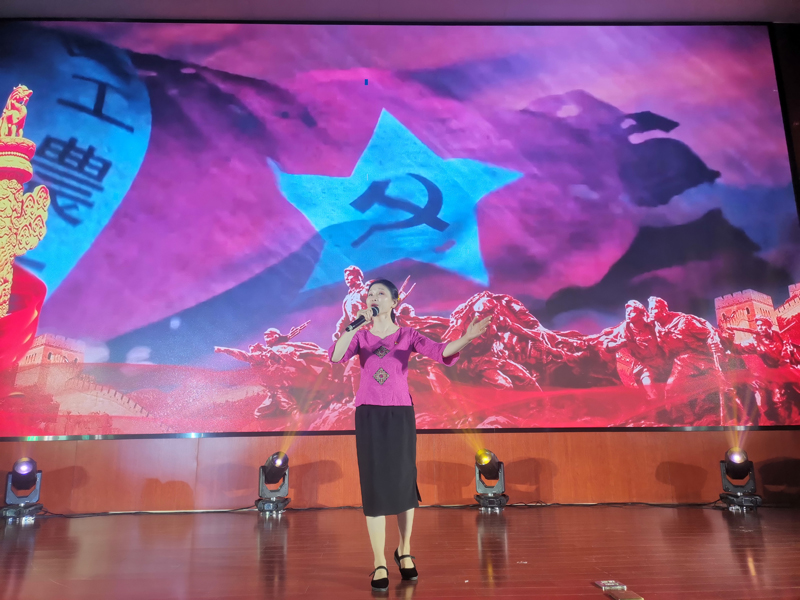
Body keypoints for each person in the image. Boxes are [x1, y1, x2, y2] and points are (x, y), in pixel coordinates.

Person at [328, 278, 491, 591]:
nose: (373, 297)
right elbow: (336, 357)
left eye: (380, 293)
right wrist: (352, 326)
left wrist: (468, 337)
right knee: (374, 485)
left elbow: (441, 352)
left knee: (403, 481)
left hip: (400, 414)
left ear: (394, 301)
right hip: (369, 415)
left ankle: (404, 550)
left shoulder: (408, 335)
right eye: (370, 294)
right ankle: (379, 561)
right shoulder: (359, 335)